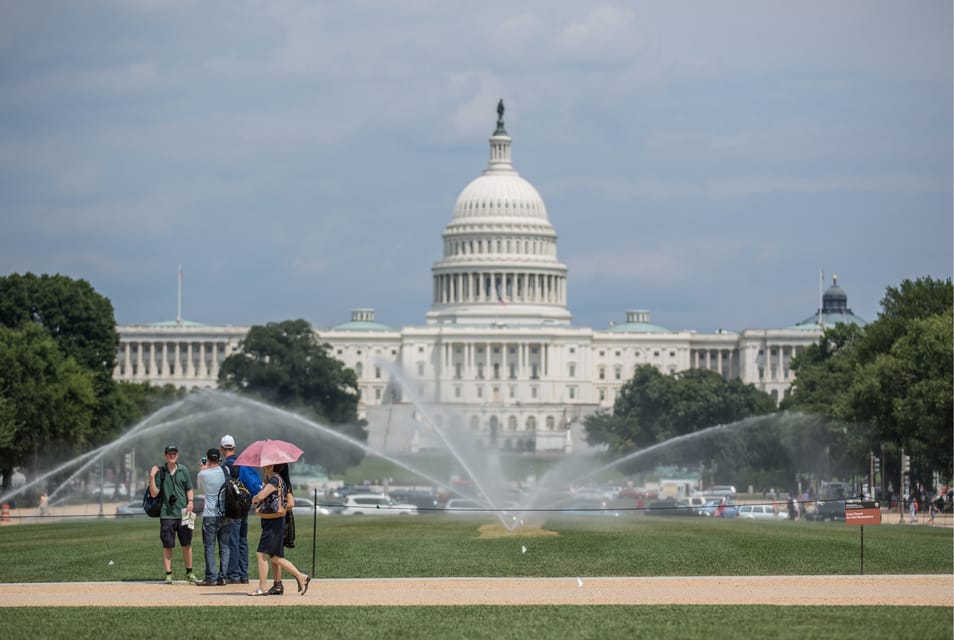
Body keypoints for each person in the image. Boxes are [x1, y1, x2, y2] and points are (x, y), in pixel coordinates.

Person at [247, 464, 310, 597]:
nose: (263, 466)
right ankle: (300, 576)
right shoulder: (274, 480)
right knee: (275, 557)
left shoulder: (275, 480)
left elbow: (260, 497)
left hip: (273, 522)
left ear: (271, 466)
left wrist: (253, 498)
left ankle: (263, 587)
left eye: (266, 464)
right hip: (273, 521)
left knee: (261, 554)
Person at [149, 443, 198, 584]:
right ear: (165, 456)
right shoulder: (161, 472)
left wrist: (190, 501)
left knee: (187, 544)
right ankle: (169, 574)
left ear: (177, 455)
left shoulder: (183, 470)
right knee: (167, 545)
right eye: (169, 453)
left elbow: (189, 488)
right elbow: (154, 493)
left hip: (185, 512)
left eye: (174, 453)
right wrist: (152, 477)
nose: (172, 455)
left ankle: (189, 572)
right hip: (167, 514)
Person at [220, 434, 262, 585]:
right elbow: (255, 485)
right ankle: (244, 575)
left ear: (222, 449)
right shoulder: (244, 465)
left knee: (233, 541)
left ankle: (234, 574)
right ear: (234, 448)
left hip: (232, 510)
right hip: (244, 508)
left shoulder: (224, 467)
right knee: (243, 540)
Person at [195, 448, 231, 586]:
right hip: (225, 513)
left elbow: (203, 472)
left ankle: (211, 577)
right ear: (219, 459)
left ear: (208, 459)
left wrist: (204, 466)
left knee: (209, 547)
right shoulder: (225, 471)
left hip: (210, 514)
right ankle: (222, 577)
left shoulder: (203, 474)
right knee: (225, 547)